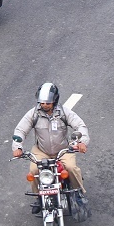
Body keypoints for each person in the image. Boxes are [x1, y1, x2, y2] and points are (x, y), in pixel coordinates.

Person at [13, 82, 89, 213]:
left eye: (48, 103)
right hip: (41, 151)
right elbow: (20, 130)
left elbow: (80, 126)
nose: (44, 105)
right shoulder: (33, 114)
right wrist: (17, 147)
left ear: (54, 101)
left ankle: (77, 194)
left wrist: (82, 142)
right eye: (42, 103)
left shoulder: (64, 113)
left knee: (71, 168)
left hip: (63, 150)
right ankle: (39, 197)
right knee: (34, 171)